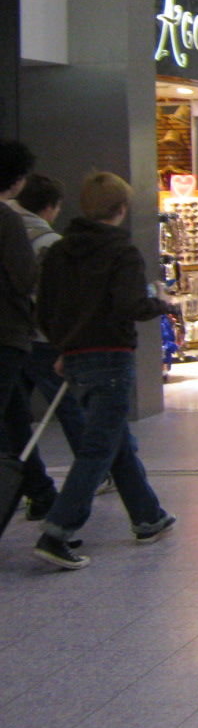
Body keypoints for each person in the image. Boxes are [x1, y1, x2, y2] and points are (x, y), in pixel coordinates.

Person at [33, 172, 180, 570]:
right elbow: (131, 305)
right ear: (122, 208)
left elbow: (44, 309)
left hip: (77, 358)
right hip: (111, 357)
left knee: (113, 439)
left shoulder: (60, 252)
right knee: (99, 446)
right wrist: (163, 304)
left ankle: (148, 516)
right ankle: (57, 531)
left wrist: (65, 347)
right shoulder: (121, 252)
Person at [5, 173, 90, 521]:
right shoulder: (48, 241)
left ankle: (34, 487)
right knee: (69, 408)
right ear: (51, 207)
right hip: (39, 339)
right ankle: (91, 473)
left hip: (13, 340)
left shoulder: (11, 224)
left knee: (14, 418)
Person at [0, 143, 44, 519]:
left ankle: (40, 490)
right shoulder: (7, 221)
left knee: (15, 416)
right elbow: (25, 277)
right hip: (6, 333)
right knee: (11, 417)